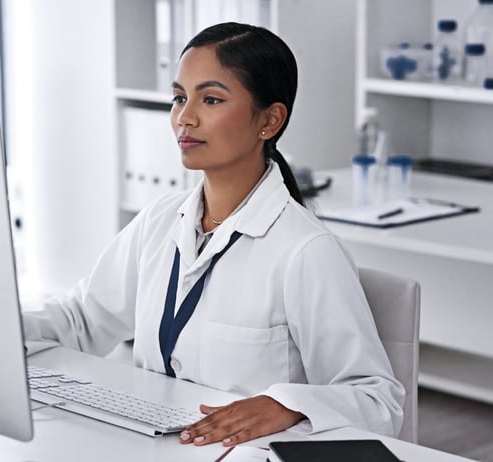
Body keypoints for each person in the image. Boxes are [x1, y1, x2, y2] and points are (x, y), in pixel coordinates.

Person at [22, 22, 404, 447]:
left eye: (211, 99)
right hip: (152, 446)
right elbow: (81, 321)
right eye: (179, 98)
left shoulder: (306, 251)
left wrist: (288, 404)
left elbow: (378, 400)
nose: (185, 117)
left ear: (270, 120)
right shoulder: (159, 220)